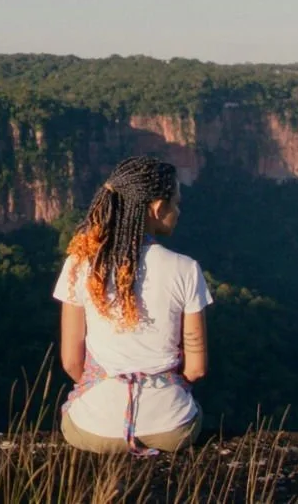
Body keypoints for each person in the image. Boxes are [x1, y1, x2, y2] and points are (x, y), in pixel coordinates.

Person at [54, 155, 212, 455]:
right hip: (171, 429)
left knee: (73, 418)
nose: (177, 211)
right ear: (156, 209)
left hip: (94, 428)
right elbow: (196, 369)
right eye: (175, 204)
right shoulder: (186, 269)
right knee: (191, 416)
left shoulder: (79, 264)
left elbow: (72, 363)